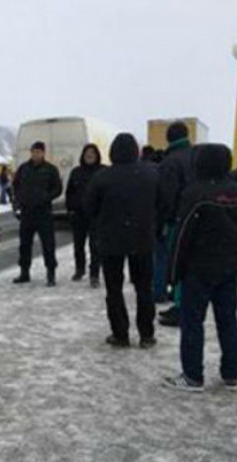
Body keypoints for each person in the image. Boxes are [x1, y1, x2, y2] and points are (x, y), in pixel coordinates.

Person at [163, 144, 237, 392]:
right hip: (229, 269)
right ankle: (231, 374)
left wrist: (173, 273)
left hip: (199, 268)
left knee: (193, 321)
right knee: (228, 320)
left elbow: (182, 236)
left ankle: (193, 375)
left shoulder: (195, 193)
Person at [86, 133, 160, 348]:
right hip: (143, 239)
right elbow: (162, 203)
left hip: (111, 240)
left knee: (114, 289)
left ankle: (120, 333)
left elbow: (90, 207)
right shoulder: (150, 174)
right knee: (144, 288)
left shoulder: (102, 177)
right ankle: (146, 334)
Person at [157, 121, 196, 323]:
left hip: (178, 219)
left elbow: (167, 195)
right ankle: (186, 302)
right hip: (198, 216)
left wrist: (164, 220)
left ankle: (182, 307)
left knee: (178, 261)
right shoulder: (196, 156)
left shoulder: (170, 161)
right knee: (191, 262)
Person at [12, 141, 63, 286]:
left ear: (43, 153)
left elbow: (58, 188)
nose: (36, 154)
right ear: (31, 152)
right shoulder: (23, 169)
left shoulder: (50, 169)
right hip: (27, 212)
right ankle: (24, 272)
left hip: (44, 213)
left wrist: (46, 197)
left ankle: (51, 274)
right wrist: (17, 200)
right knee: (24, 245)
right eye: (34, 151)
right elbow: (15, 186)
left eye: (39, 152)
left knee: (48, 244)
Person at [66, 143, 105, 286]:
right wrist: (70, 210)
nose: (90, 156)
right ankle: (79, 269)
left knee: (95, 246)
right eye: (87, 153)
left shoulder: (102, 171)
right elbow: (69, 193)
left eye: (93, 153)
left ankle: (94, 274)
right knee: (78, 245)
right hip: (78, 215)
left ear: (97, 155)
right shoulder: (76, 172)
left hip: (96, 215)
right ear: (83, 155)